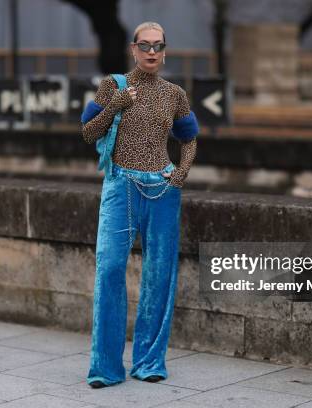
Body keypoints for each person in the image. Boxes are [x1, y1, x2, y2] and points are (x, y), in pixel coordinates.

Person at [80, 21, 199, 389]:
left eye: (158, 46)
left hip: (163, 189)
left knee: (160, 276)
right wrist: (115, 105)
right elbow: (87, 132)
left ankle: (149, 362)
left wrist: (181, 172)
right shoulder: (112, 85)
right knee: (110, 268)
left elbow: (189, 138)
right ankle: (106, 367)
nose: (151, 52)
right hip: (122, 186)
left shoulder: (174, 94)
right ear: (133, 49)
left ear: (165, 51)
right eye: (145, 45)